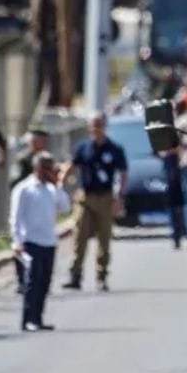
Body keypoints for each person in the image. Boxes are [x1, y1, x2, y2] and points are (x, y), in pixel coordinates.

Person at [60, 113, 128, 291]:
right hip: (86, 197)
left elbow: (123, 173)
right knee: (79, 236)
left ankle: (102, 276)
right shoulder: (83, 147)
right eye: (93, 125)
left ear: (104, 126)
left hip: (105, 198)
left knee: (104, 239)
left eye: (99, 125)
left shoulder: (114, 149)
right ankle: (75, 275)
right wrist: (61, 183)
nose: (96, 129)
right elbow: (72, 166)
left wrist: (120, 197)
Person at [10, 152, 71, 331]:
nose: (48, 172)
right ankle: (28, 319)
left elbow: (65, 207)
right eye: (45, 168)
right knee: (32, 282)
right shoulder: (24, 188)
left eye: (50, 168)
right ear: (36, 168)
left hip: (49, 242)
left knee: (44, 283)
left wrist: (58, 185)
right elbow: (15, 217)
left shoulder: (52, 189)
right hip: (31, 241)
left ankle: (38, 318)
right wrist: (17, 241)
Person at [12, 127, 50, 292]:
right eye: (40, 140)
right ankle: (22, 279)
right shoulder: (23, 160)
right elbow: (15, 181)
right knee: (22, 242)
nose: (43, 144)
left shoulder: (47, 160)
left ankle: (40, 279)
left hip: (42, 207)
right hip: (27, 204)